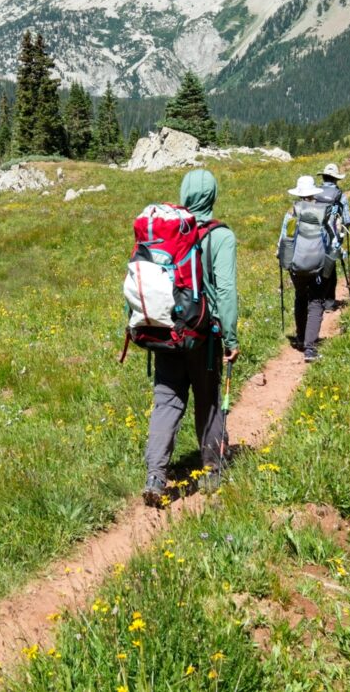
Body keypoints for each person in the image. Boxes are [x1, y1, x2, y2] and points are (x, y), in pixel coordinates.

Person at [142, 169, 239, 507]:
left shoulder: (167, 235)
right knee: (208, 398)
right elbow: (225, 291)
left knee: (167, 401)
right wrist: (231, 337)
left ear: (184, 195)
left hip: (165, 330)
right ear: (212, 196)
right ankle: (212, 468)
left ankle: (155, 475)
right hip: (203, 335)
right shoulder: (221, 236)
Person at [277, 175, 335, 362]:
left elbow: (284, 239)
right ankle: (310, 348)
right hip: (317, 266)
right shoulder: (323, 212)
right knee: (316, 301)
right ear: (313, 193)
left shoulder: (292, 213)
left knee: (300, 297)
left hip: (297, 266)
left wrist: (281, 257)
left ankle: (301, 337)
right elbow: (330, 239)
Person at [316, 162, 350, 306]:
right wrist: (341, 235)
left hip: (313, 236)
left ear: (324, 177)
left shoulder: (314, 192)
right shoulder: (340, 195)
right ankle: (329, 302)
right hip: (331, 237)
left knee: (316, 267)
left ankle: (315, 300)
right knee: (330, 270)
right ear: (336, 179)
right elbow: (347, 219)